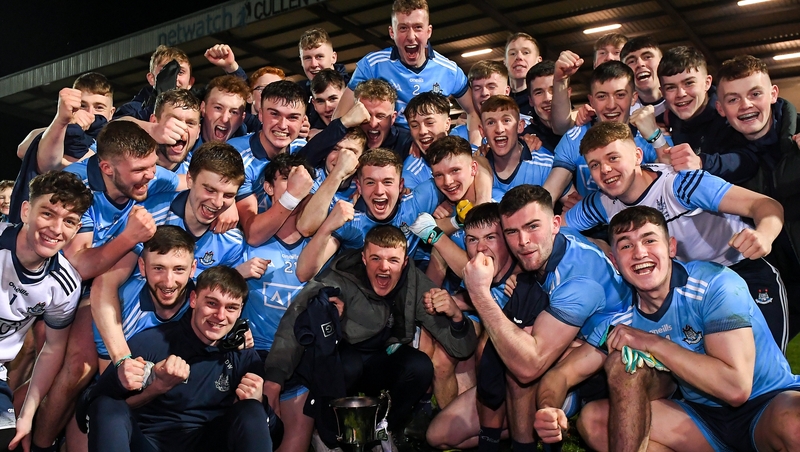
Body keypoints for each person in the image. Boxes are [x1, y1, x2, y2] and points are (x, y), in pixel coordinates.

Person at [568, 206, 800, 452]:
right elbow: (571, 367)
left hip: (765, 402)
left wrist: (652, 342)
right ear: (614, 260)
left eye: (649, 240)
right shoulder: (621, 313)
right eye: (626, 246)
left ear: (671, 247)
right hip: (702, 418)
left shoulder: (715, 283)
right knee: (595, 420)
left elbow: (736, 388)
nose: (639, 253)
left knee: (795, 424)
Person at [434, 184, 629, 452]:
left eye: (532, 227)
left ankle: (525, 442)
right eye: (512, 231)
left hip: (597, 369)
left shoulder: (579, 282)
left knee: (519, 365)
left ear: (555, 224)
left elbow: (529, 365)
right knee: (439, 435)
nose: (523, 241)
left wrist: (479, 294)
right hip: (564, 348)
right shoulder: (544, 255)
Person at [565, 120, 789, 350]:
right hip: (689, 292)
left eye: (613, 158)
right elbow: (554, 229)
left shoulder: (681, 184)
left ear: (637, 156)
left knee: (765, 376)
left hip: (741, 272)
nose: (605, 170)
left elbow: (764, 205)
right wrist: (597, 244)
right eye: (595, 164)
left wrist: (764, 234)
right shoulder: (602, 202)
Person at [265, 225, 478, 446]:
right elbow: (295, 318)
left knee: (419, 366)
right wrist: (274, 378)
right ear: (364, 259)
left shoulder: (413, 282)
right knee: (349, 365)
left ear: (404, 262)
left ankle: (383, 431)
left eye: (393, 260)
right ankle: (330, 432)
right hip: (340, 363)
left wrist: (456, 318)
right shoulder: (339, 277)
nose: (384, 267)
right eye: (376, 258)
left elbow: (461, 348)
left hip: (379, 361)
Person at [83, 266, 280, 452]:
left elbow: (277, 435)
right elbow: (87, 408)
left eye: (231, 308)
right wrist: (119, 381)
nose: (220, 316)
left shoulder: (243, 355)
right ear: (193, 299)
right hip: (147, 444)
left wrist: (261, 404)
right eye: (211, 303)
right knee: (107, 404)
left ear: (239, 312)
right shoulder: (151, 342)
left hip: (210, 445)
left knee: (252, 410)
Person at [2, 171, 92, 451]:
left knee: (6, 441)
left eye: (69, 221)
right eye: (48, 213)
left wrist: (27, 415)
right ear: (26, 211)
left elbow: (52, 350)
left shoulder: (64, 285)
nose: (56, 229)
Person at [715, 54, 800, 341]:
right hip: (773, 278)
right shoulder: (720, 159)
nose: (746, 105)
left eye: (755, 94)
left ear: (773, 94)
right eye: (733, 99)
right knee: (766, 365)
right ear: (720, 108)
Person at [242, 153, 317, 452]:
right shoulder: (246, 241)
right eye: (286, 178)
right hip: (253, 356)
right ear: (268, 187)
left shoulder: (320, 245)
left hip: (298, 356)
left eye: (303, 181)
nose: (296, 185)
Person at [295, 148, 446, 282]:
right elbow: (303, 273)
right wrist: (326, 227)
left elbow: (461, 179)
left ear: (400, 186)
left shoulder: (418, 203)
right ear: (359, 187)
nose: (379, 191)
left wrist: (452, 206)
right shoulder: (350, 222)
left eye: (387, 182)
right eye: (370, 182)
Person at [333, 0, 478, 139]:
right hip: (386, 151)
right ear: (392, 32)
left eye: (418, 27)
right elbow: (340, 117)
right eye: (403, 28)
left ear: (429, 31)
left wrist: (475, 147)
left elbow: (474, 111)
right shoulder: (371, 66)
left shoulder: (449, 70)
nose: (410, 36)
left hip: (431, 150)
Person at [543, 61, 668, 203]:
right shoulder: (574, 138)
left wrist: (655, 136)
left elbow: (674, 177)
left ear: (633, 98)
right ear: (591, 100)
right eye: (602, 96)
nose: (611, 105)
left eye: (620, 95)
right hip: (592, 221)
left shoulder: (649, 135)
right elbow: (550, 193)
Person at [11, 73, 115, 224]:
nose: (90, 114)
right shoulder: (60, 132)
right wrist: (65, 123)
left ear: (111, 113)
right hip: (53, 221)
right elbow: (23, 149)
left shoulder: (114, 144)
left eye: (99, 107)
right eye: (83, 106)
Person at [658, 46, 758, 184]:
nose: (681, 94)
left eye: (689, 83)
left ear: (707, 83)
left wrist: (701, 162)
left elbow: (749, 160)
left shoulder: (729, 113)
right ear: (662, 92)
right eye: (670, 87)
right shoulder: (667, 118)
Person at [230, 80, 312, 246]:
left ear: (303, 121)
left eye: (292, 117)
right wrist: (292, 196)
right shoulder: (236, 155)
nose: (282, 125)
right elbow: (253, 235)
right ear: (260, 114)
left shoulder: (304, 151)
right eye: (274, 114)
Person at [113, 45, 194, 124]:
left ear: (190, 82)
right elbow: (115, 129)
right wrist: (159, 103)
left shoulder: (199, 112)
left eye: (180, 72)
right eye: (165, 71)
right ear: (151, 78)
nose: (173, 78)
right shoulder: (131, 110)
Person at [298, 28, 350, 131]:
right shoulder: (298, 92)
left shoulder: (353, 88)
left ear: (333, 57)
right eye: (307, 58)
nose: (313, 64)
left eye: (319, 56)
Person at [148, 89, 202, 175]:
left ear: (198, 131)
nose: (182, 130)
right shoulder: (131, 163)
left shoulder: (199, 173)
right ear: (154, 122)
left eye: (190, 123)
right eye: (174, 120)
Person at [621, 36, 666, 119]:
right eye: (631, 61)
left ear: (662, 61)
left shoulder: (683, 102)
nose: (640, 64)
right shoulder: (623, 115)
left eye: (647, 57)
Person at [504, 33, 542, 118]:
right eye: (513, 53)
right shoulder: (496, 97)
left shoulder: (546, 97)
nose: (519, 57)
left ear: (538, 61)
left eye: (526, 52)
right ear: (505, 62)